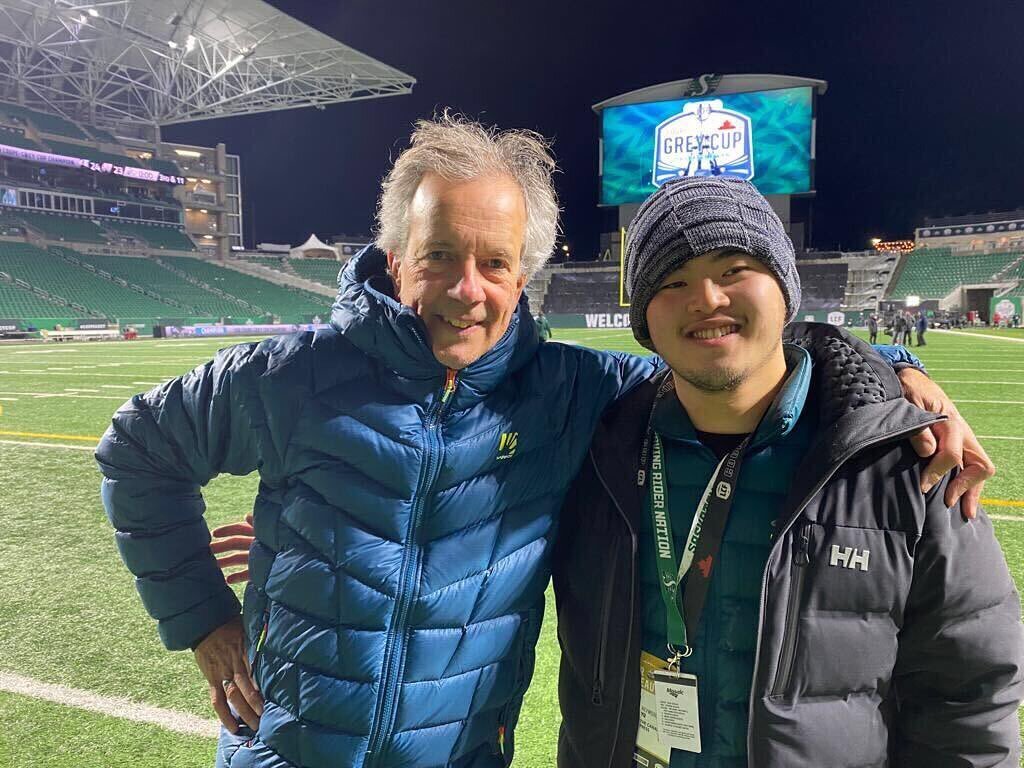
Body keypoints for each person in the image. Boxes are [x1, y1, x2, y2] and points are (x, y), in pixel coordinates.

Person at [100, 116, 986, 768]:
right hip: (283, 754)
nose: (466, 289)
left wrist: (884, 365)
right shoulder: (291, 375)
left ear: (525, 275)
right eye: (439, 256)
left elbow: (733, 360)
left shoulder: (572, 391)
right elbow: (136, 451)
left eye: (495, 264)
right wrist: (207, 621)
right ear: (394, 254)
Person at [552, 177, 1021, 767]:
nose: (706, 299)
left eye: (733, 270)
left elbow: (968, 698)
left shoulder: (910, 458)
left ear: (785, 290)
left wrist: (895, 370)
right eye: (671, 282)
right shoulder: (601, 450)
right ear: (644, 318)